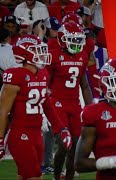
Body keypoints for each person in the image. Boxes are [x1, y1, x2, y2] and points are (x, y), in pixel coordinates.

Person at [0, 35, 72, 179]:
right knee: (34, 176)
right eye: (37, 50)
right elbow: (3, 111)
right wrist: (0, 138)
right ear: (25, 53)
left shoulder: (43, 73)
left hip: (37, 132)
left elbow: (47, 104)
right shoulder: (15, 75)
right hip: (20, 132)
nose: (42, 54)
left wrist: (61, 128)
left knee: (27, 175)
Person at [45, 22, 93, 180]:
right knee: (65, 144)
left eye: (79, 40)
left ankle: (69, 177)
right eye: (73, 39)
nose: (77, 43)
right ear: (62, 39)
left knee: (76, 147)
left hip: (74, 103)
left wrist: (91, 108)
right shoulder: (53, 55)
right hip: (57, 103)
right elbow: (45, 84)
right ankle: (57, 176)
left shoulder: (83, 55)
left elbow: (84, 85)